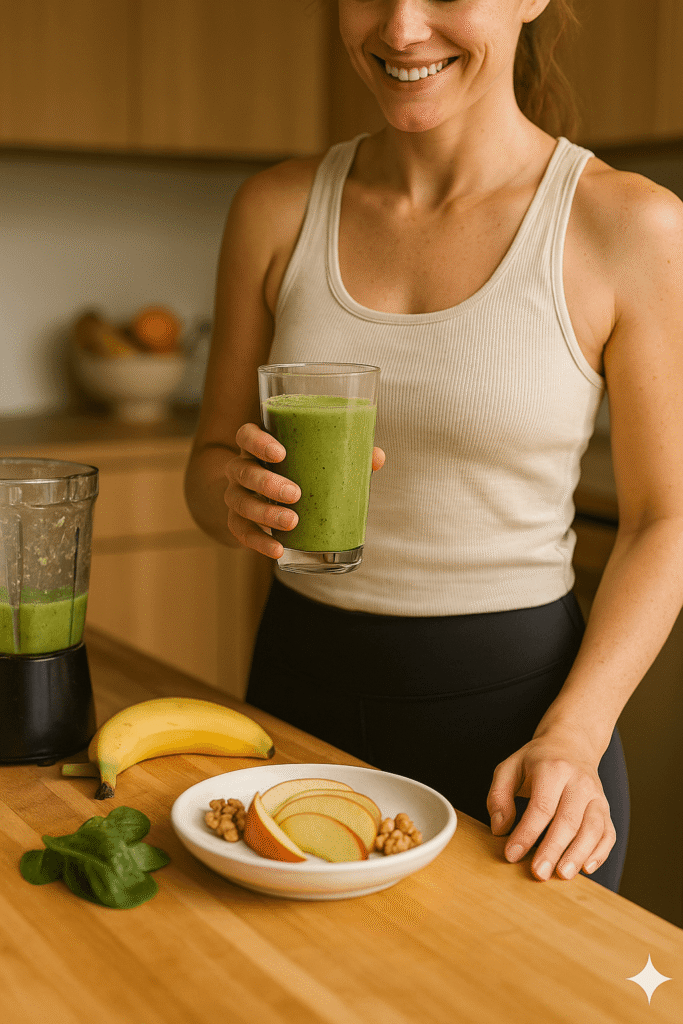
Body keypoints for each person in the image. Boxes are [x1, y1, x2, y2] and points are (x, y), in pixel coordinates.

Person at [184, 0, 683, 893]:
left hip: (525, 733)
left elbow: (666, 519)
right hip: (297, 694)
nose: (402, 29)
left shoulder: (630, 225)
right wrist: (232, 494)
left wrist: (574, 733)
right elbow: (209, 462)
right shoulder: (273, 206)